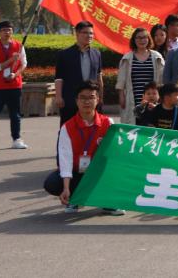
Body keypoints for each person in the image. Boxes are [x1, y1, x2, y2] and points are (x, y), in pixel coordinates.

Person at [43, 80, 122, 215]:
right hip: (77, 172)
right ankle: (74, 198)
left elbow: (114, 154)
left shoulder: (108, 123)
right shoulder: (67, 127)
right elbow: (65, 160)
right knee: (52, 183)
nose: (87, 102)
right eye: (83, 98)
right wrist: (66, 188)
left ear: (98, 100)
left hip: (98, 172)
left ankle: (107, 201)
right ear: (76, 101)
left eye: (91, 97)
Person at [0, 21, 29, 151]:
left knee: (15, 115)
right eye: (4, 30)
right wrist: (10, 60)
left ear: (12, 31)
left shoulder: (19, 46)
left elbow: (24, 64)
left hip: (15, 85)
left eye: (9, 30)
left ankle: (16, 139)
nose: (7, 32)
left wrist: (16, 74)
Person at [54, 21, 103, 125]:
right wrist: (58, 96)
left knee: (91, 127)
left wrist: (101, 96)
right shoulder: (64, 54)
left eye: (91, 33)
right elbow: (59, 78)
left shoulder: (96, 53)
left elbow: (99, 77)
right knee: (68, 127)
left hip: (91, 99)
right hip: (71, 99)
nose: (89, 36)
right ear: (77, 34)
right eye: (85, 33)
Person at [115, 27, 165, 125]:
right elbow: (121, 79)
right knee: (134, 124)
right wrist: (121, 96)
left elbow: (161, 79)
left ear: (149, 39)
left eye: (144, 37)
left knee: (151, 123)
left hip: (152, 98)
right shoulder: (127, 58)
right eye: (138, 38)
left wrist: (161, 96)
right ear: (134, 40)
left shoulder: (157, 56)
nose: (142, 40)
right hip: (133, 97)